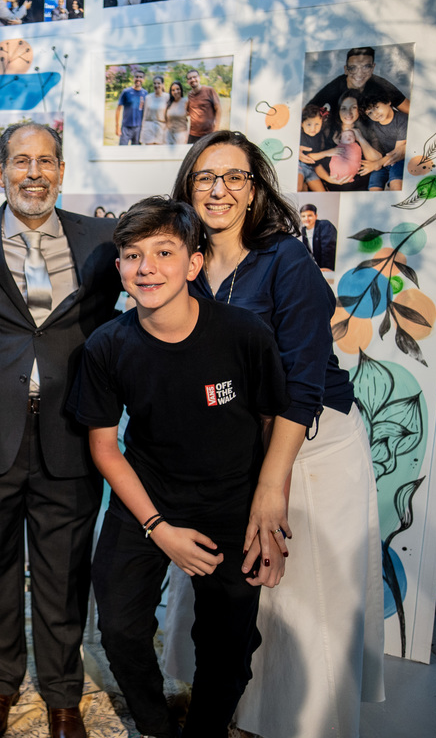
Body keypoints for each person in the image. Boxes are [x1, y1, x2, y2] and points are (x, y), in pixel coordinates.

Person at [163, 131, 385, 738]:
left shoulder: (285, 259)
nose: (219, 190)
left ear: (255, 188)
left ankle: (305, 723)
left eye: (234, 177)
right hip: (242, 448)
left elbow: (303, 386)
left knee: (302, 599)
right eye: (206, 177)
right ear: (187, 187)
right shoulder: (185, 266)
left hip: (310, 446)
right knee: (238, 595)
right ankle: (233, 712)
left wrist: (270, 486)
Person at [71, 196, 290, 738]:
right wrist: (157, 528)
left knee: (227, 640)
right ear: (119, 267)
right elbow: (104, 447)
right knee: (119, 627)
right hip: (147, 501)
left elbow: (274, 424)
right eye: (131, 255)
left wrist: (268, 513)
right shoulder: (108, 344)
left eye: (164, 252)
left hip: (231, 502)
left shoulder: (244, 334)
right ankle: (154, 726)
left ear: (194, 264)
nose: (146, 268)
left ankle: (208, 727)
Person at [0, 123, 122, 738]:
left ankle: (63, 697)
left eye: (46, 161)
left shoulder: (102, 240)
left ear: (62, 170)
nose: (34, 173)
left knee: (64, 573)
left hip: (71, 433)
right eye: (21, 161)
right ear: (0, 168)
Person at [309, 46, 411, 116]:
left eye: (366, 67)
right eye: (353, 68)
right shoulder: (335, 86)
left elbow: (409, 109)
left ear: (372, 68)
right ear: (346, 69)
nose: (359, 73)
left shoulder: (380, 84)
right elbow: (306, 112)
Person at [360, 91, 408, 191]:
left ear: (388, 102)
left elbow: (397, 153)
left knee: (396, 184)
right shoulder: (372, 124)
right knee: (374, 187)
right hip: (383, 161)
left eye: (376, 107)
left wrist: (375, 164)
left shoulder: (402, 119)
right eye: (370, 113)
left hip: (399, 159)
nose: (375, 114)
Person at [297, 104, 331, 192]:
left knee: (322, 193)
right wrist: (329, 152)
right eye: (309, 124)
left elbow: (315, 163)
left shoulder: (320, 136)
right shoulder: (300, 135)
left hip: (311, 169)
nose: (313, 128)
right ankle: (303, 186)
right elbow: (309, 156)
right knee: (298, 187)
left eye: (317, 124)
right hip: (299, 166)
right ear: (301, 124)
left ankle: (306, 185)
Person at [185, 70, 221, 144]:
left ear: (199, 78)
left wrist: (216, 129)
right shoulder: (189, 95)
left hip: (208, 133)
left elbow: (218, 109)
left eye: (194, 77)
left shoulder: (209, 90)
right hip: (193, 134)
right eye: (190, 78)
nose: (192, 80)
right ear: (187, 81)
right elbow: (188, 112)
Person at [299, 204, 338, 272]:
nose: (306, 219)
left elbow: (328, 248)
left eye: (309, 215)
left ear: (316, 216)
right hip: (318, 268)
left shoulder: (325, 225)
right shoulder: (304, 230)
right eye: (303, 216)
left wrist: (326, 267)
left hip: (329, 268)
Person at [115, 69, 149, 146]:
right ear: (133, 78)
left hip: (138, 128)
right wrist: (117, 126)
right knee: (122, 150)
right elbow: (118, 109)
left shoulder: (145, 93)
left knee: (136, 152)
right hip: (126, 127)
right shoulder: (126, 92)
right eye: (136, 76)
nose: (138, 79)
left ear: (143, 79)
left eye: (141, 77)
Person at [141, 76, 170, 145]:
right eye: (155, 83)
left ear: (163, 84)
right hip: (148, 129)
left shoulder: (167, 97)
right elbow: (145, 115)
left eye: (159, 83)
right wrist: (142, 130)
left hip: (161, 129)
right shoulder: (148, 97)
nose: (156, 85)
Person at [164, 81, 190, 146]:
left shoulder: (186, 102)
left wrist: (187, 135)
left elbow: (189, 120)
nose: (176, 92)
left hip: (181, 135)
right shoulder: (169, 103)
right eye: (173, 90)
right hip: (169, 135)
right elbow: (165, 119)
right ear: (171, 92)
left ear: (181, 90)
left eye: (178, 89)